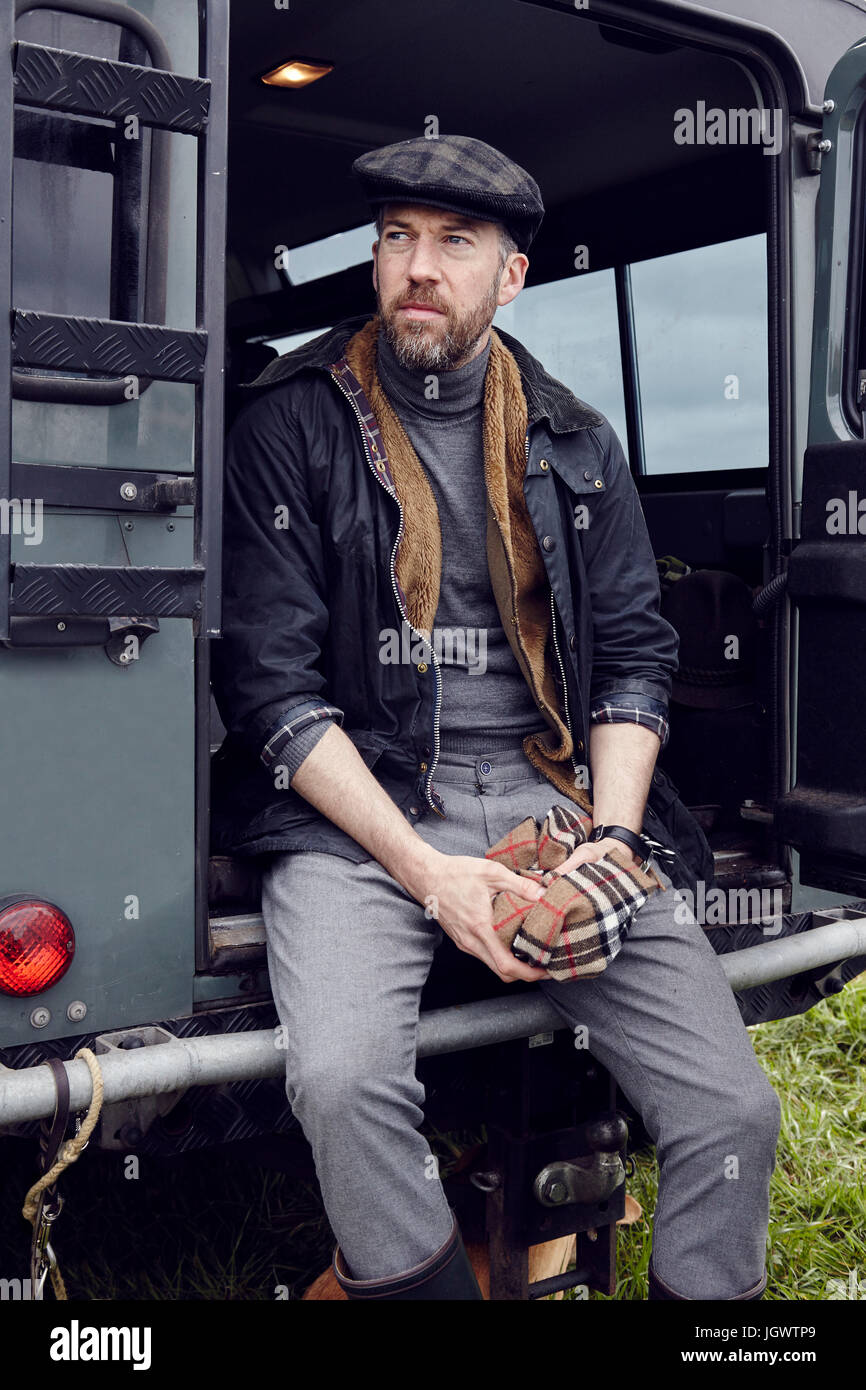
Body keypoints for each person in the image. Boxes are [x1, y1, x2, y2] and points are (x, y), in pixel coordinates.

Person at [210, 133, 781, 1301]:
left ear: (509, 276)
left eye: (453, 243)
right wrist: (430, 874)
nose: (418, 267)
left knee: (734, 1109)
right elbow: (272, 690)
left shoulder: (574, 441)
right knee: (345, 1081)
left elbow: (632, 655)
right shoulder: (287, 424)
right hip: (359, 813)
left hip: (553, 798)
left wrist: (614, 841)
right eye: (396, 240)